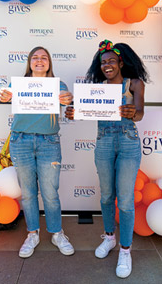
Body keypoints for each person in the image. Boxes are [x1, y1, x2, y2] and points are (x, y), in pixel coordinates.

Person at [65, 40, 147, 279]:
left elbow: (140, 114)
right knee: (107, 195)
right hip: (103, 141)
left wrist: (134, 112)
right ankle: (110, 238)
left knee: (125, 199)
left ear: (121, 62)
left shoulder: (134, 83)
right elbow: (82, 110)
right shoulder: (96, 87)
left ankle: (125, 250)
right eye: (103, 62)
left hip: (128, 141)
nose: (107, 65)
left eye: (112, 61)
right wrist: (73, 112)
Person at [0, 46, 74, 259]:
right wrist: (5, 95)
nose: (39, 61)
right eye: (35, 57)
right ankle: (33, 233)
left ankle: (57, 233)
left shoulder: (59, 85)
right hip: (20, 140)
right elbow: (6, 96)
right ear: (29, 62)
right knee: (29, 192)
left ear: (49, 62)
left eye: (44, 58)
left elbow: (67, 104)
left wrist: (68, 99)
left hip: (49, 142)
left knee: (50, 192)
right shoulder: (17, 84)